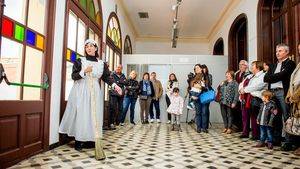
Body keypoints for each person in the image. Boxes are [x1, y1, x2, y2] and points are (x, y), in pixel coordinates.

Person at [59, 39, 122, 151]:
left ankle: (91, 139)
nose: (88, 48)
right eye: (86, 46)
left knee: (94, 115)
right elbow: (73, 76)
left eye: (91, 46)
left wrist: (115, 86)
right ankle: (79, 140)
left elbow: (107, 77)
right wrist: (84, 71)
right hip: (81, 90)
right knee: (82, 115)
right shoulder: (80, 61)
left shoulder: (102, 64)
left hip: (95, 91)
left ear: (96, 48)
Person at [264, 43, 296, 145]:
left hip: (283, 92)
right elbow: (265, 78)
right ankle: (276, 140)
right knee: (275, 116)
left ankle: (288, 141)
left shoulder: (290, 63)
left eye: (280, 51)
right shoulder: (273, 65)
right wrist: (276, 76)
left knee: (286, 116)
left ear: (286, 52)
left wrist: (272, 76)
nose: (277, 53)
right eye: (277, 51)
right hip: (272, 93)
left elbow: (284, 74)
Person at [240, 61, 267, 140]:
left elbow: (256, 87)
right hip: (251, 98)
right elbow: (249, 86)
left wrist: (244, 90)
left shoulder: (263, 76)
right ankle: (255, 134)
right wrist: (244, 89)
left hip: (258, 98)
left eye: (253, 66)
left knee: (257, 117)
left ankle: (258, 135)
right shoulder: (252, 76)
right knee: (253, 116)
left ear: (258, 68)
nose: (251, 68)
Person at [284, 43, 300, 154]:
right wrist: (289, 94)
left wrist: (297, 94)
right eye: (299, 49)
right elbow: (293, 80)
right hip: (295, 97)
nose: (299, 51)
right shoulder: (298, 65)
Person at [190, 64, 208, 133]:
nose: (196, 69)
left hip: (203, 96)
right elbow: (190, 87)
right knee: (198, 113)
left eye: (197, 68)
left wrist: (201, 86)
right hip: (196, 97)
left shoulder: (205, 77)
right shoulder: (193, 77)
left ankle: (204, 128)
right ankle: (198, 127)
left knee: (204, 113)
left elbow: (207, 87)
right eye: (195, 68)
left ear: (201, 69)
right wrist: (191, 94)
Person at [233, 60, 251, 132]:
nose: (240, 65)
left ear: (246, 66)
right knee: (236, 111)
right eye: (240, 64)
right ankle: (238, 126)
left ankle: (245, 128)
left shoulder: (249, 74)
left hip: (244, 94)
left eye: (242, 64)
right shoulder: (236, 73)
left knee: (243, 112)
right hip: (236, 94)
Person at [108, 64, 126, 130]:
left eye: (120, 68)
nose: (119, 68)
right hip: (113, 93)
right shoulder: (112, 74)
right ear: (116, 68)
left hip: (121, 94)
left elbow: (125, 82)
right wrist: (120, 82)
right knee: (113, 108)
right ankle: (111, 123)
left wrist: (119, 82)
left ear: (122, 69)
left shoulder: (123, 75)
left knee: (121, 108)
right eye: (118, 67)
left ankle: (117, 122)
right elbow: (113, 83)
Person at [201, 64, 213, 128]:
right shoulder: (199, 76)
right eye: (202, 68)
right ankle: (203, 124)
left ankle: (205, 125)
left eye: (204, 68)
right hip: (200, 94)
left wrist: (204, 81)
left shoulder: (209, 76)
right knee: (202, 110)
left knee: (206, 109)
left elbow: (210, 84)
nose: (203, 70)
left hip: (207, 94)